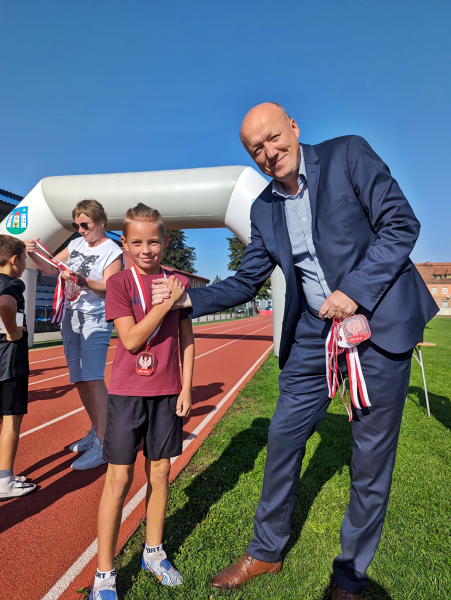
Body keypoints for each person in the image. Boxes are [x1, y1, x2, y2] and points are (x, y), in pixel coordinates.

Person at [152, 103, 438, 599]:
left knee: (370, 459)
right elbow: (246, 280)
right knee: (283, 437)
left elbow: (400, 224)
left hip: (377, 320)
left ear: (294, 129)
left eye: (273, 138)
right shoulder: (263, 208)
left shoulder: (347, 154)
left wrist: (354, 291)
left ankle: (350, 574)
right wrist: (188, 297)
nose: (268, 152)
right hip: (311, 333)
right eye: (255, 148)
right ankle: (265, 551)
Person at [89, 204, 194, 600]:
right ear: (125, 244)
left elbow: (187, 340)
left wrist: (186, 388)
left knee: (161, 472)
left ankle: (153, 552)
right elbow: (131, 340)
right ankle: (104, 575)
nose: (146, 249)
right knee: (118, 480)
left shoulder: (178, 280)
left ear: (165, 241)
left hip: (167, 393)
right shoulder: (119, 284)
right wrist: (166, 303)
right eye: (137, 242)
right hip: (128, 394)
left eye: (154, 241)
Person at [25, 199, 123, 470]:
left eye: (85, 225)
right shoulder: (76, 244)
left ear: (100, 222)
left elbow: (111, 289)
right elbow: (51, 268)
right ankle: (96, 432)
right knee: (79, 379)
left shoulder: (112, 251)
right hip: (71, 316)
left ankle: (105, 444)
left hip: (95, 318)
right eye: (76, 225)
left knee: (92, 379)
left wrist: (83, 280)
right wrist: (34, 254)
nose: (80, 230)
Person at [0, 235, 36, 499]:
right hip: (10, 362)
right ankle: (4, 480)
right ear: (15, 260)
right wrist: (13, 332)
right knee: (12, 421)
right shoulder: (13, 283)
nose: (26, 263)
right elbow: (5, 304)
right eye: (25, 258)